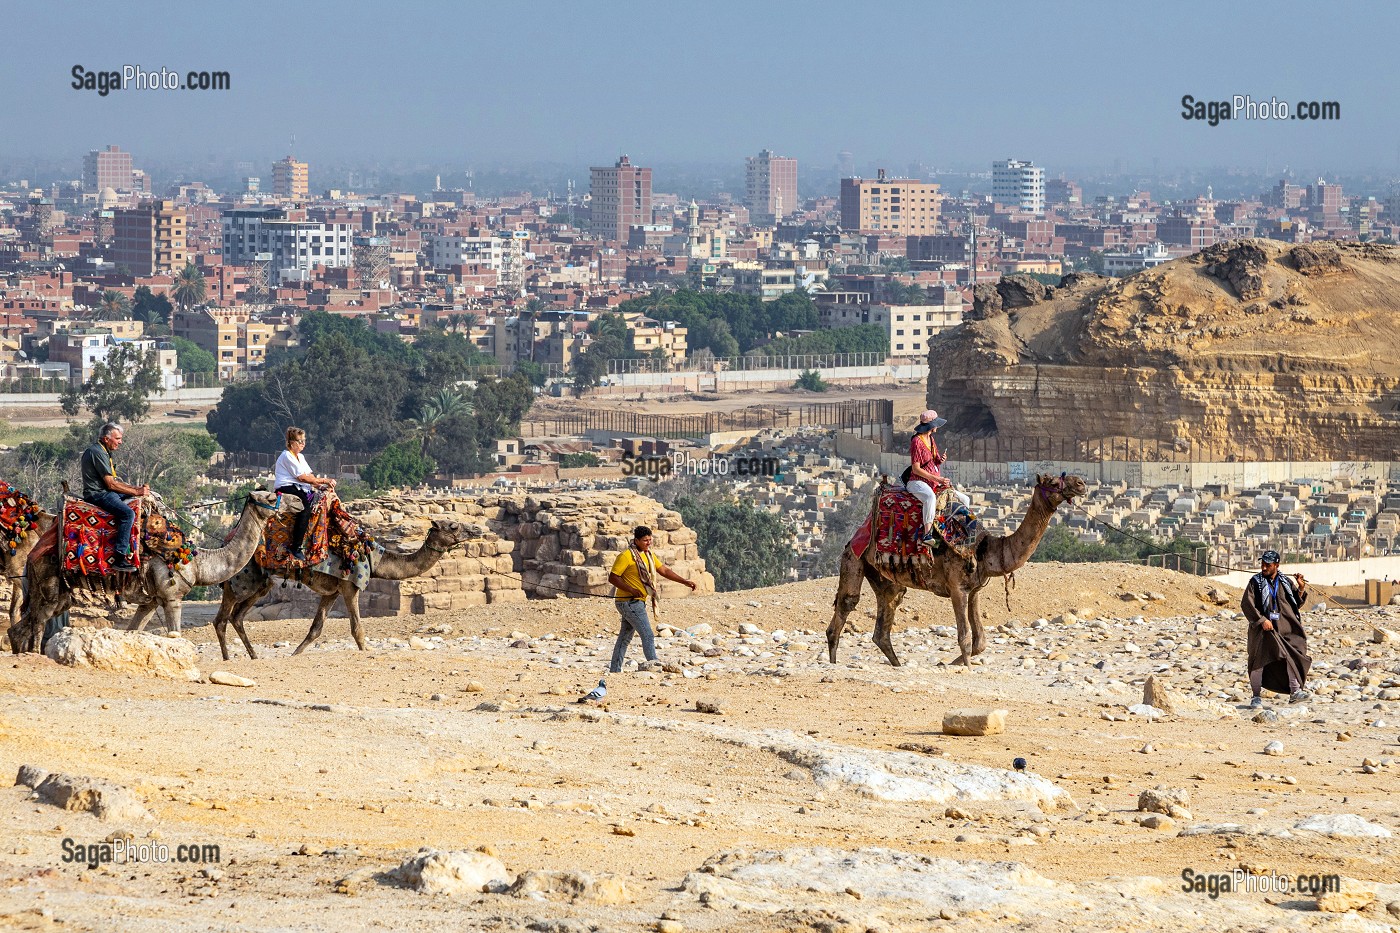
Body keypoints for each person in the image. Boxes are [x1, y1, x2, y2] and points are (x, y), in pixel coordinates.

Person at [603, 525, 697, 680]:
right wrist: (632, 590)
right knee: (647, 634)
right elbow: (613, 577)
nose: (648, 543)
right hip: (629, 602)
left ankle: (615, 670)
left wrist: (684, 581)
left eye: (650, 539)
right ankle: (655, 666)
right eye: (645, 540)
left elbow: (664, 571)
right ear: (637, 540)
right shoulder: (626, 556)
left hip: (637, 601)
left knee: (625, 637)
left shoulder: (648, 555)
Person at [1240, 549, 1313, 707]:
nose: (1264, 568)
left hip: (1286, 627)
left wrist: (1300, 588)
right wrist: (1261, 620)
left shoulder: (1286, 582)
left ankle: (1295, 692)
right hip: (1263, 630)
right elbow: (1247, 604)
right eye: (1262, 564)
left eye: (1268, 565)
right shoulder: (1255, 582)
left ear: (1276, 565)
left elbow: (1296, 604)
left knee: (1294, 653)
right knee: (1258, 660)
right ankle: (1256, 696)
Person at [80, 422, 150, 573]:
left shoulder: (103, 451)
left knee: (132, 495)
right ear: (106, 439)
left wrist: (136, 490)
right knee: (127, 514)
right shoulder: (97, 453)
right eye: (117, 438)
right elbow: (111, 484)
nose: (120, 442)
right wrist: (136, 491)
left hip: (105, 490)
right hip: (98, 494)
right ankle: (119, 557)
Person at [274, 426, 337, 561]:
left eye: (304, 441)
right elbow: (302, 478)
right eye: (299, 441)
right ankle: (295, 547)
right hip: (287, 487)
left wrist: (320, 485)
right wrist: (325, 480)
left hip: (300, 487)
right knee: (305, 510)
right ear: (291, 442)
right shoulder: (287, 456)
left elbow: (310, 476)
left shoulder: (300, 457)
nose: (303, 444)